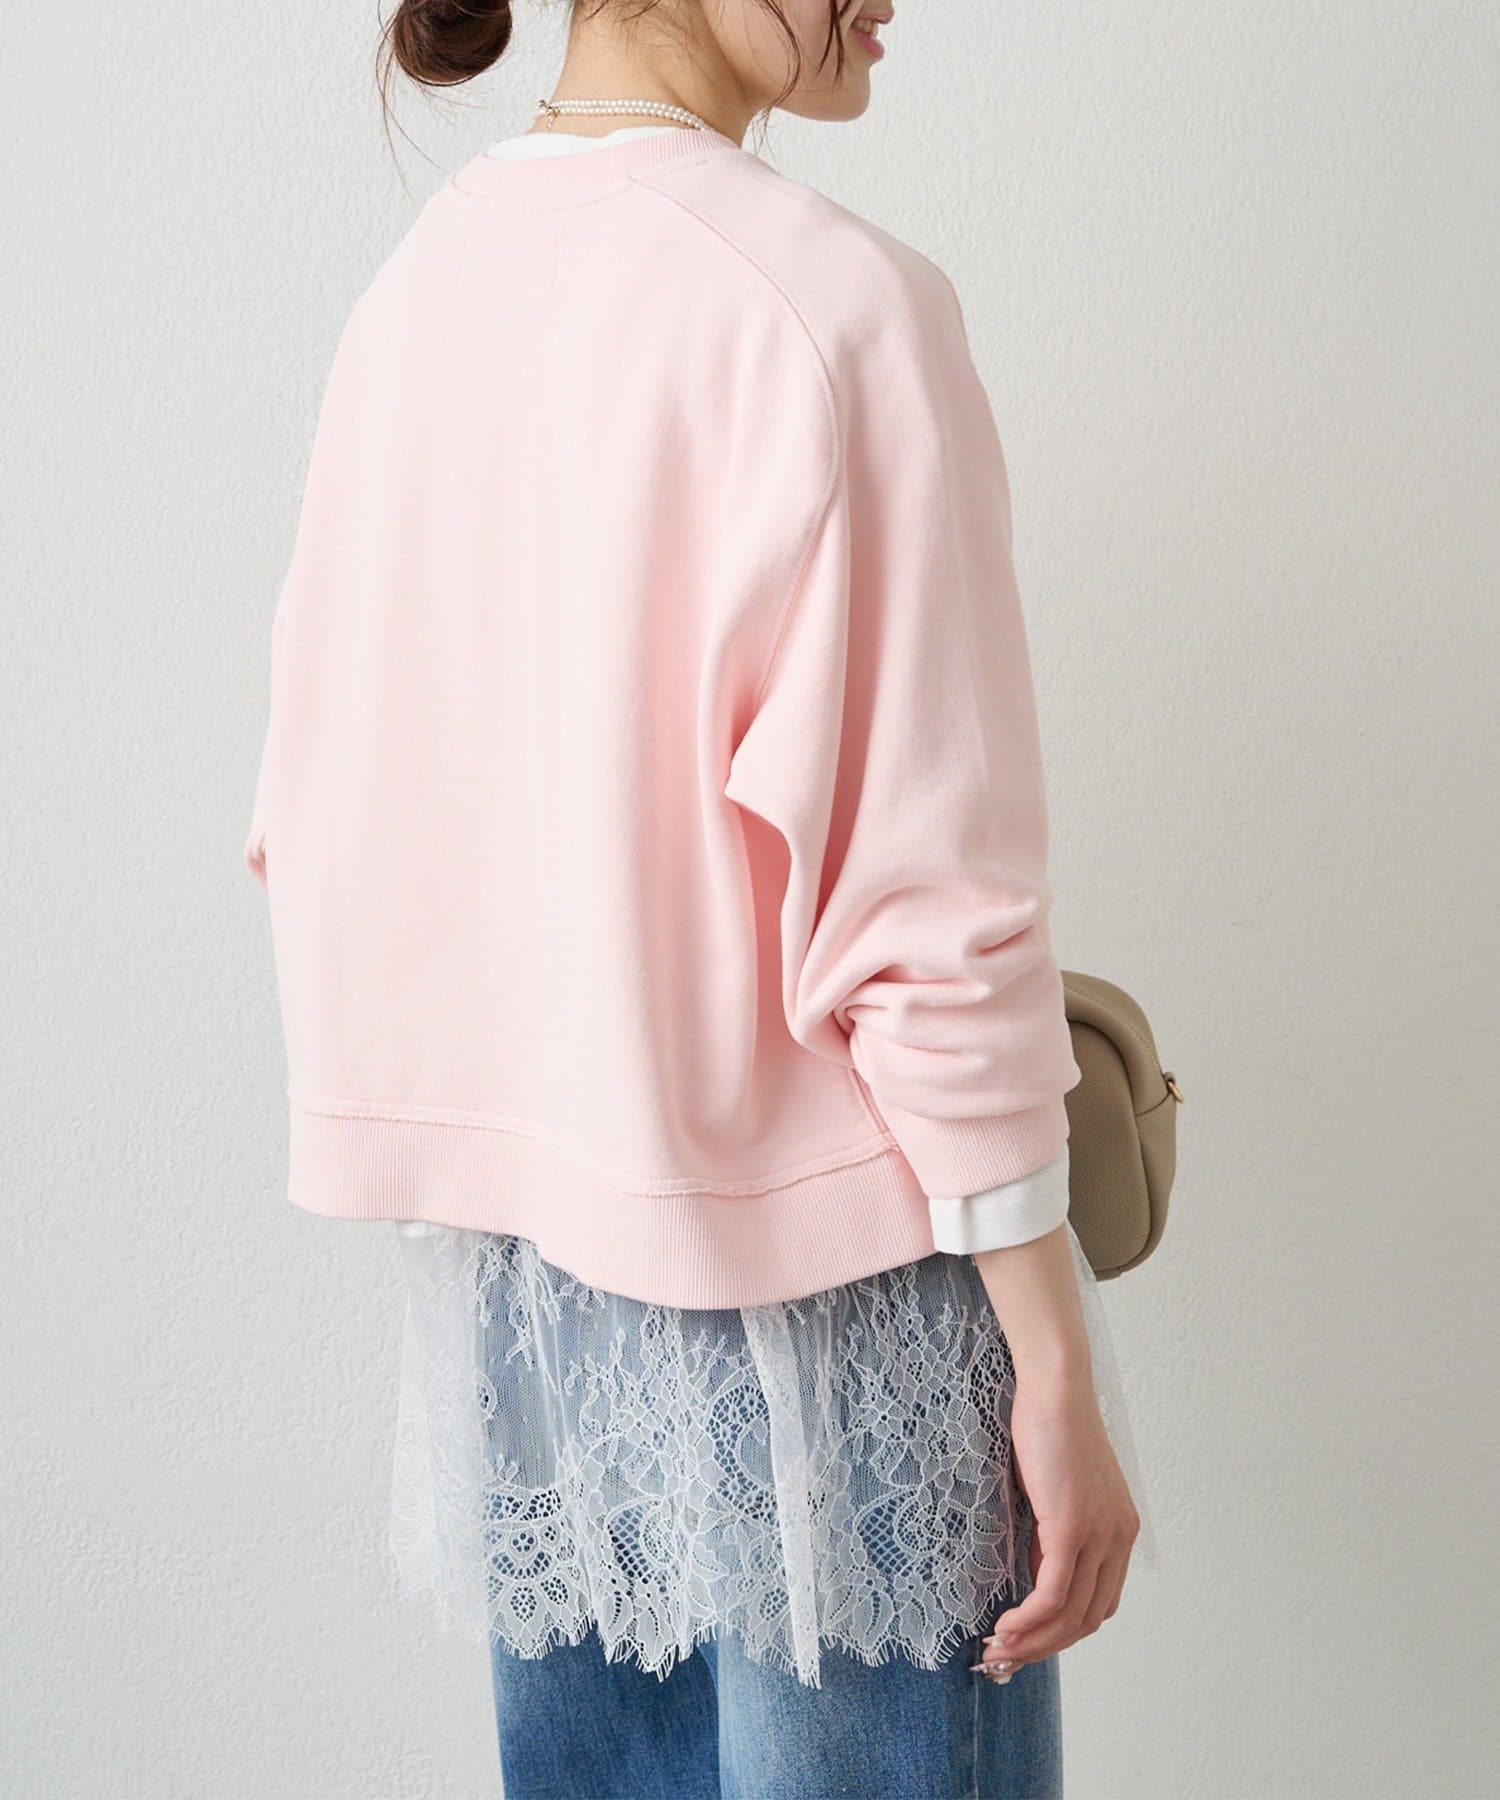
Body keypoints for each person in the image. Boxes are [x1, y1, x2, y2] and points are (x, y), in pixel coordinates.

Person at [245, 1, 1142, 1792]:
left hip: (537, 1315)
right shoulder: (829, 306)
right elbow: (925, 906)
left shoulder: (422, 290)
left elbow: (319, 806)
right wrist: (1053, 1360)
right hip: (841, 1313)